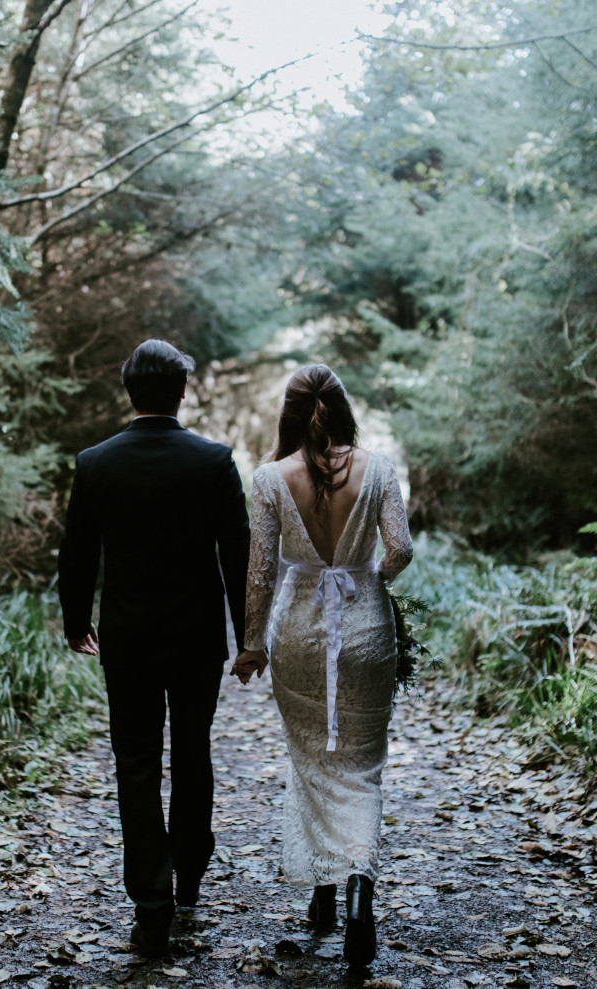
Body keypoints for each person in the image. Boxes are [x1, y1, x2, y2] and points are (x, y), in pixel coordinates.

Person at [57, 339, 251, 957]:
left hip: (129, 637)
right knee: (193, 752)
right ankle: (189, 872)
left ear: (127, 389)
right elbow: (239, 555)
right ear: (183, 390)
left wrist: (74, 620)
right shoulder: (213, 461)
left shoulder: (96, 463)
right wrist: (248, 637)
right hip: (197, 639)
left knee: (136, 761)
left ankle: (151, 899)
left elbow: (78, 551)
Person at [230, 364, 413, 967]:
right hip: (365, 628)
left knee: (312, 757)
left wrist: (252, 643)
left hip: (299, 633)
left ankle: (327, 892)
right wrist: (370, 581)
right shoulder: (380, 468)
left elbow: (259, 572)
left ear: (291, 413)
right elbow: (401, 549)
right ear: (342, 408)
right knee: (360, 763)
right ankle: (355, 889)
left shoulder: (269, 478)